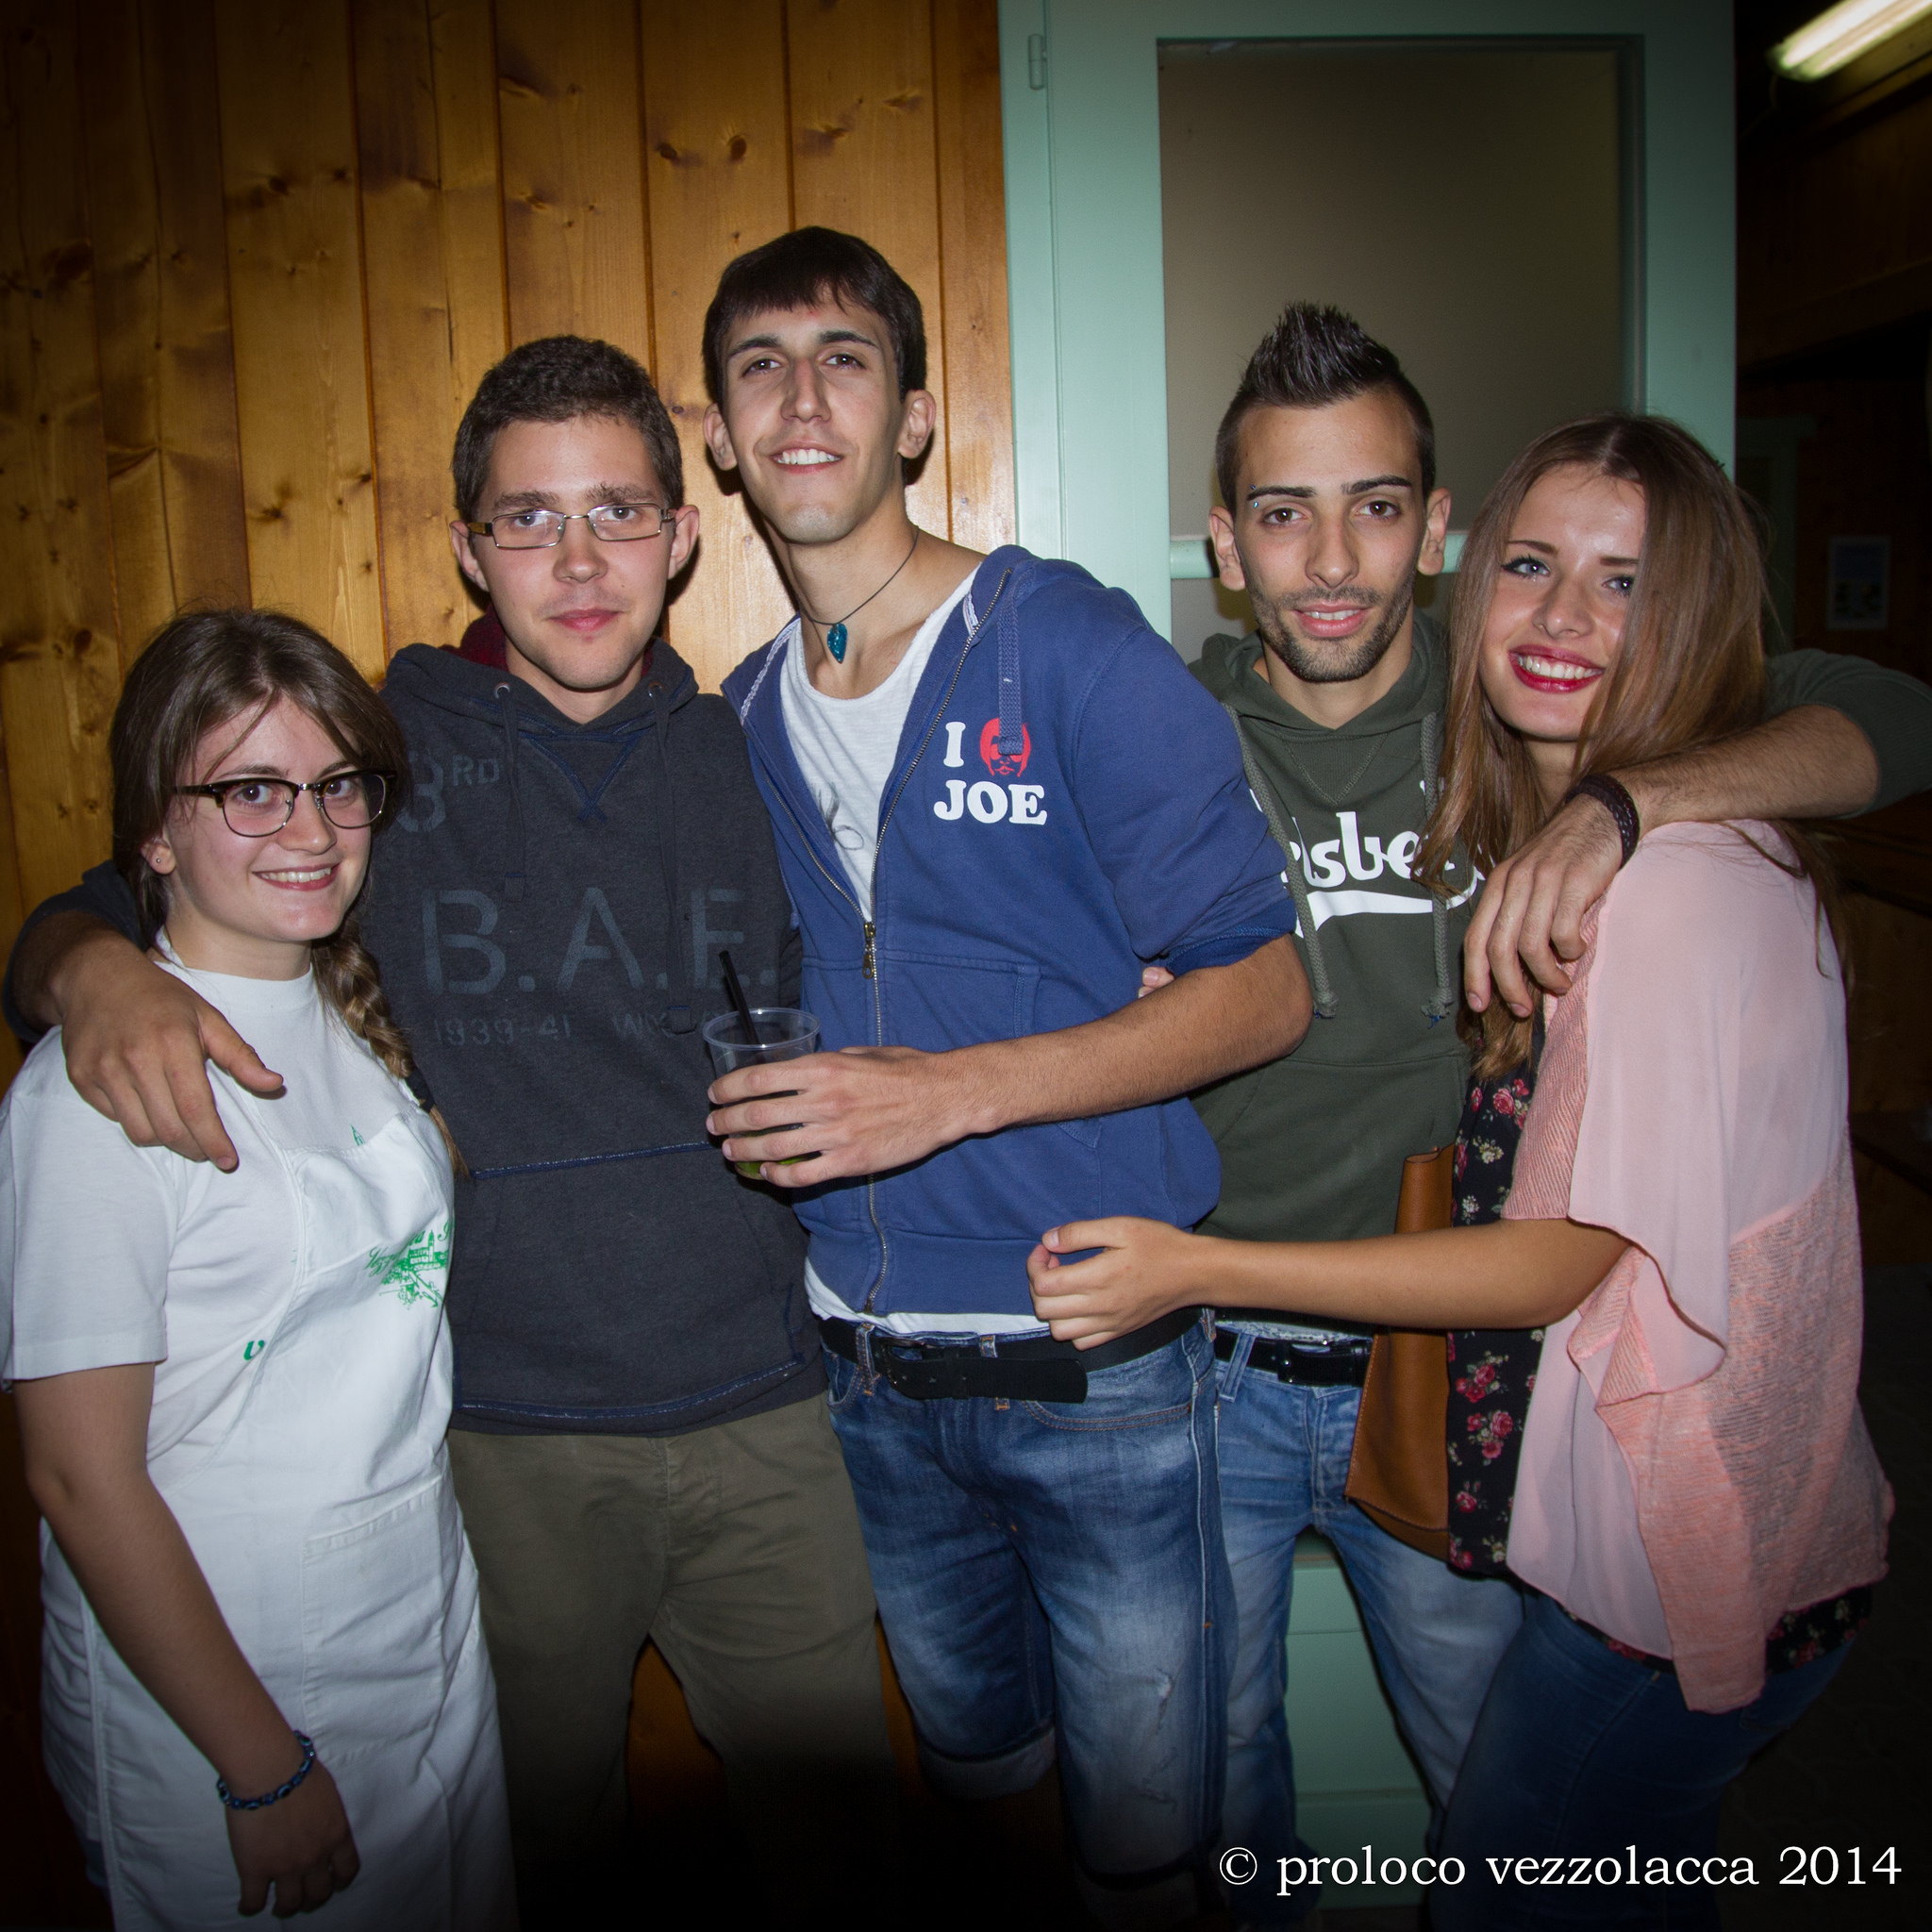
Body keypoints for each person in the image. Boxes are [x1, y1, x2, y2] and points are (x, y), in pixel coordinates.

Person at [3, 339, 892, 1924]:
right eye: (529, 519)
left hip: (766, 1411)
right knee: (526, 1869)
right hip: (496, 1440)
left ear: (685, 534)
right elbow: (125, 886)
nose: (579, 561)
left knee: (846, 1855)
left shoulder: (743, 752)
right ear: (471, 548)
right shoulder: (372, 766)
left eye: (618, 511)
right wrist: (87, 974)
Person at [1026, 413, 1892, 1930]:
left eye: (1372, 507)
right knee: (1233, 1783)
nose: (1330, 558)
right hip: (1214, 1372)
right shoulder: (1165, 728)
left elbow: (1886, 708)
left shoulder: (1631, 838)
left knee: (1517, 1809)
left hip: (1483, 1377)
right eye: (1282, 512)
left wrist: (1626, 807)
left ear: (1430, 536)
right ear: (1226, 545)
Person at [698, 226, 1312, 1928]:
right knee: (982, 1798)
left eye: (844, 358)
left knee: (1152, 1843)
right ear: (720, 437)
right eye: (761, 367)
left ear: (913, 416)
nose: (802, 399)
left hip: (1093, 1360)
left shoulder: (1067, 646)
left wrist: (949, 1092)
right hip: (866, 1379)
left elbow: (1266, 990)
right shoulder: (738, 714)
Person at [1, 609, 513, 1928]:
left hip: (418, 1620)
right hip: (228, 1677)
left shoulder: (346, 1008)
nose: (312, 828)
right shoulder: (95, 1092)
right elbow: (77, 1475)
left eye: (339, 784)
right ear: (155, 833)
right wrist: (259, 1764)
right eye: (251, 790)